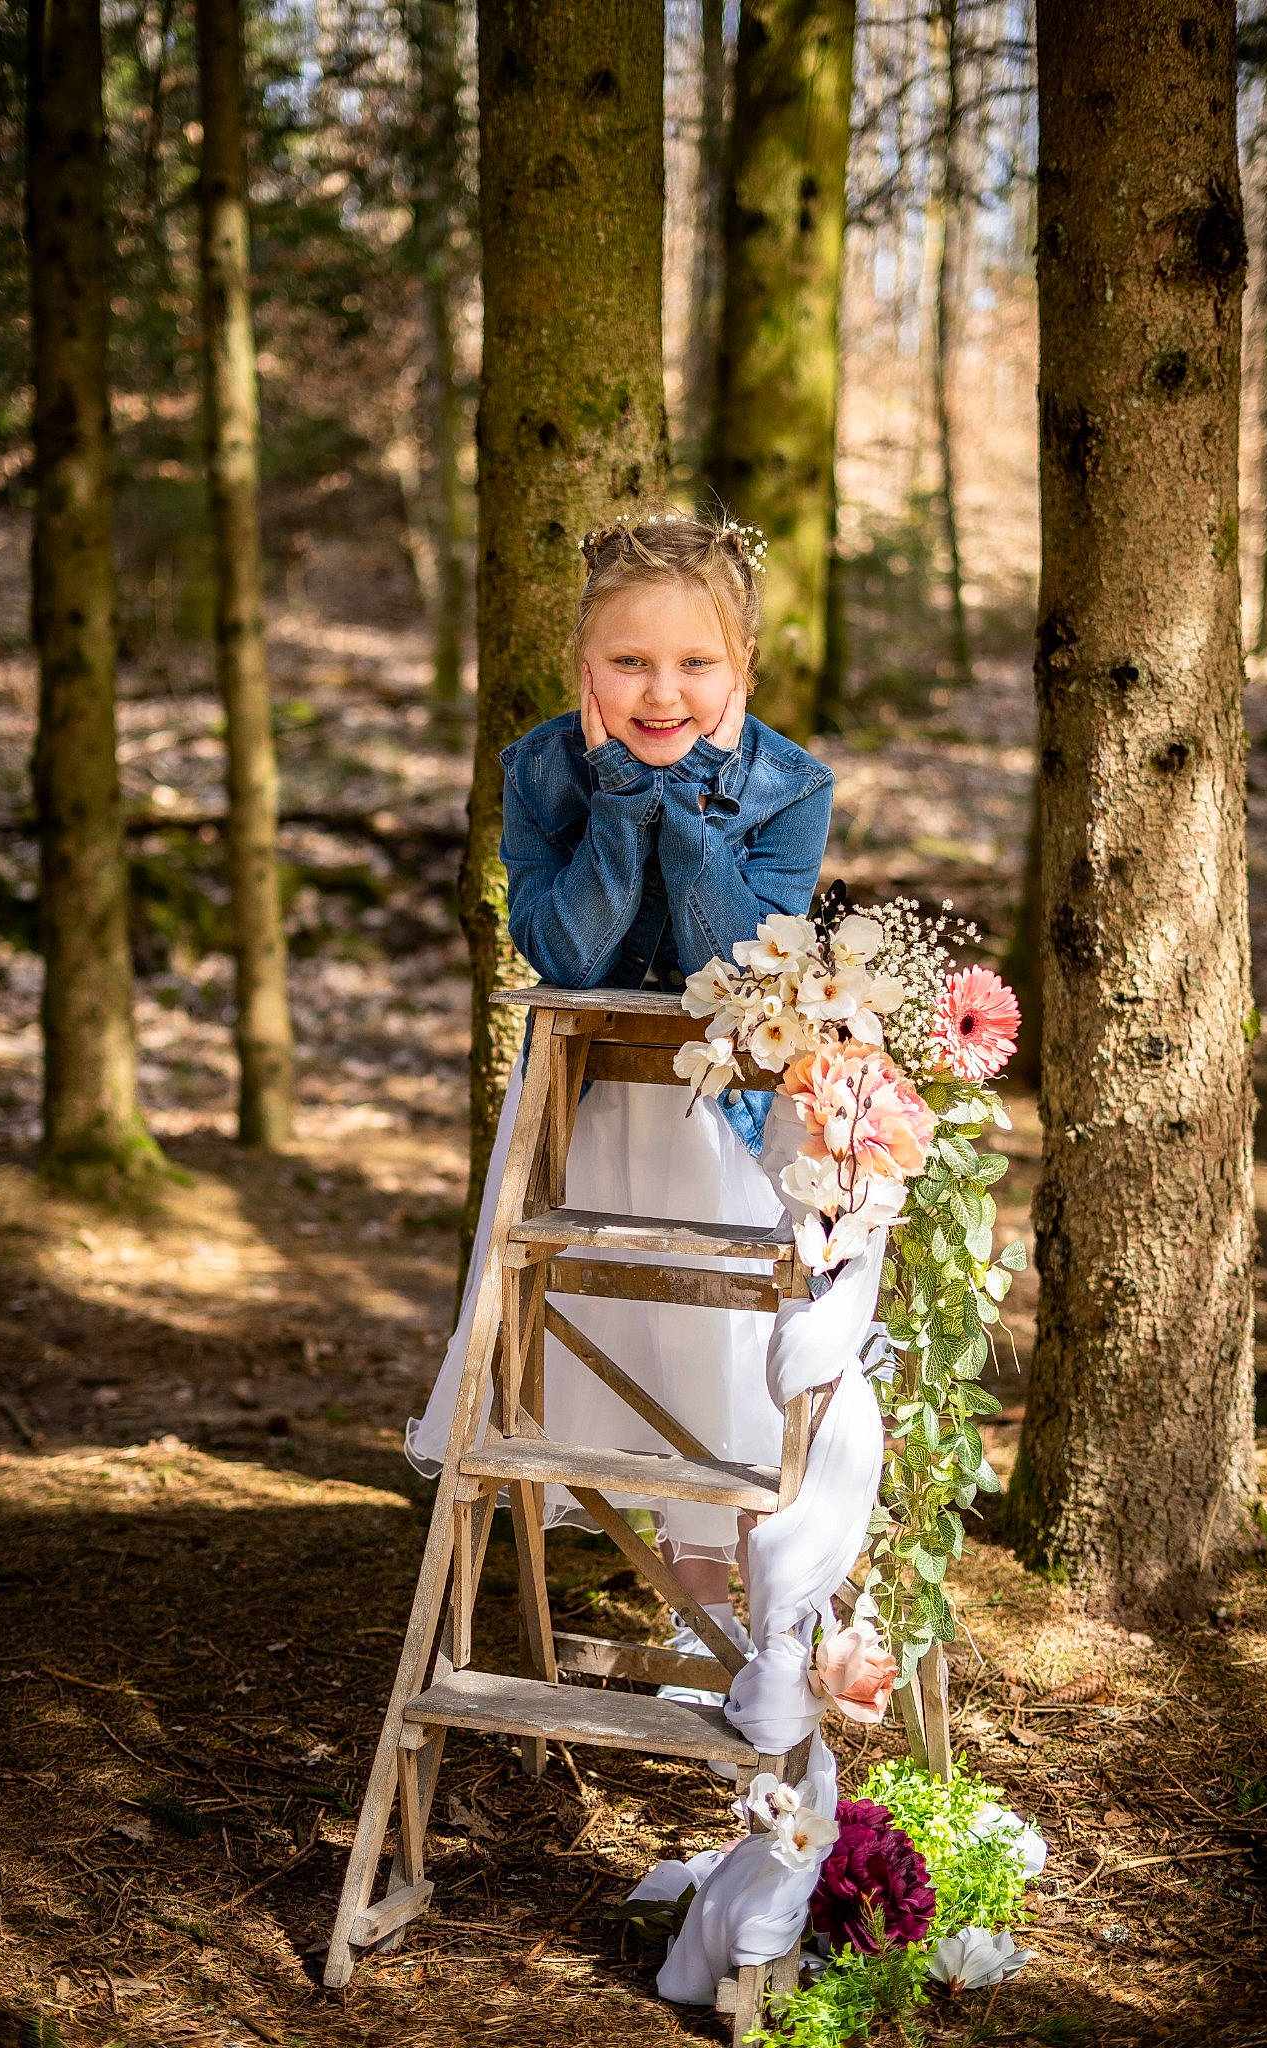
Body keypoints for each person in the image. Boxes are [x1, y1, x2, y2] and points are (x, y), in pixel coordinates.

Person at [406, 505, 834, 1708]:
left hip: (725, 1120)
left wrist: (687, 813)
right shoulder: (541, 769)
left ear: (742, 669)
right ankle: (659, 1575)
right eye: (630, 662)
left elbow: (734, 961)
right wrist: (616, 797)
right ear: (582, 670)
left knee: (722, 1348)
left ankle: (755, 1612)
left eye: (697, 664)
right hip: (584, 1116)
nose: (663, 692)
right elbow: (567, 946)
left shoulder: (789, 785)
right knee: (601, 1342)